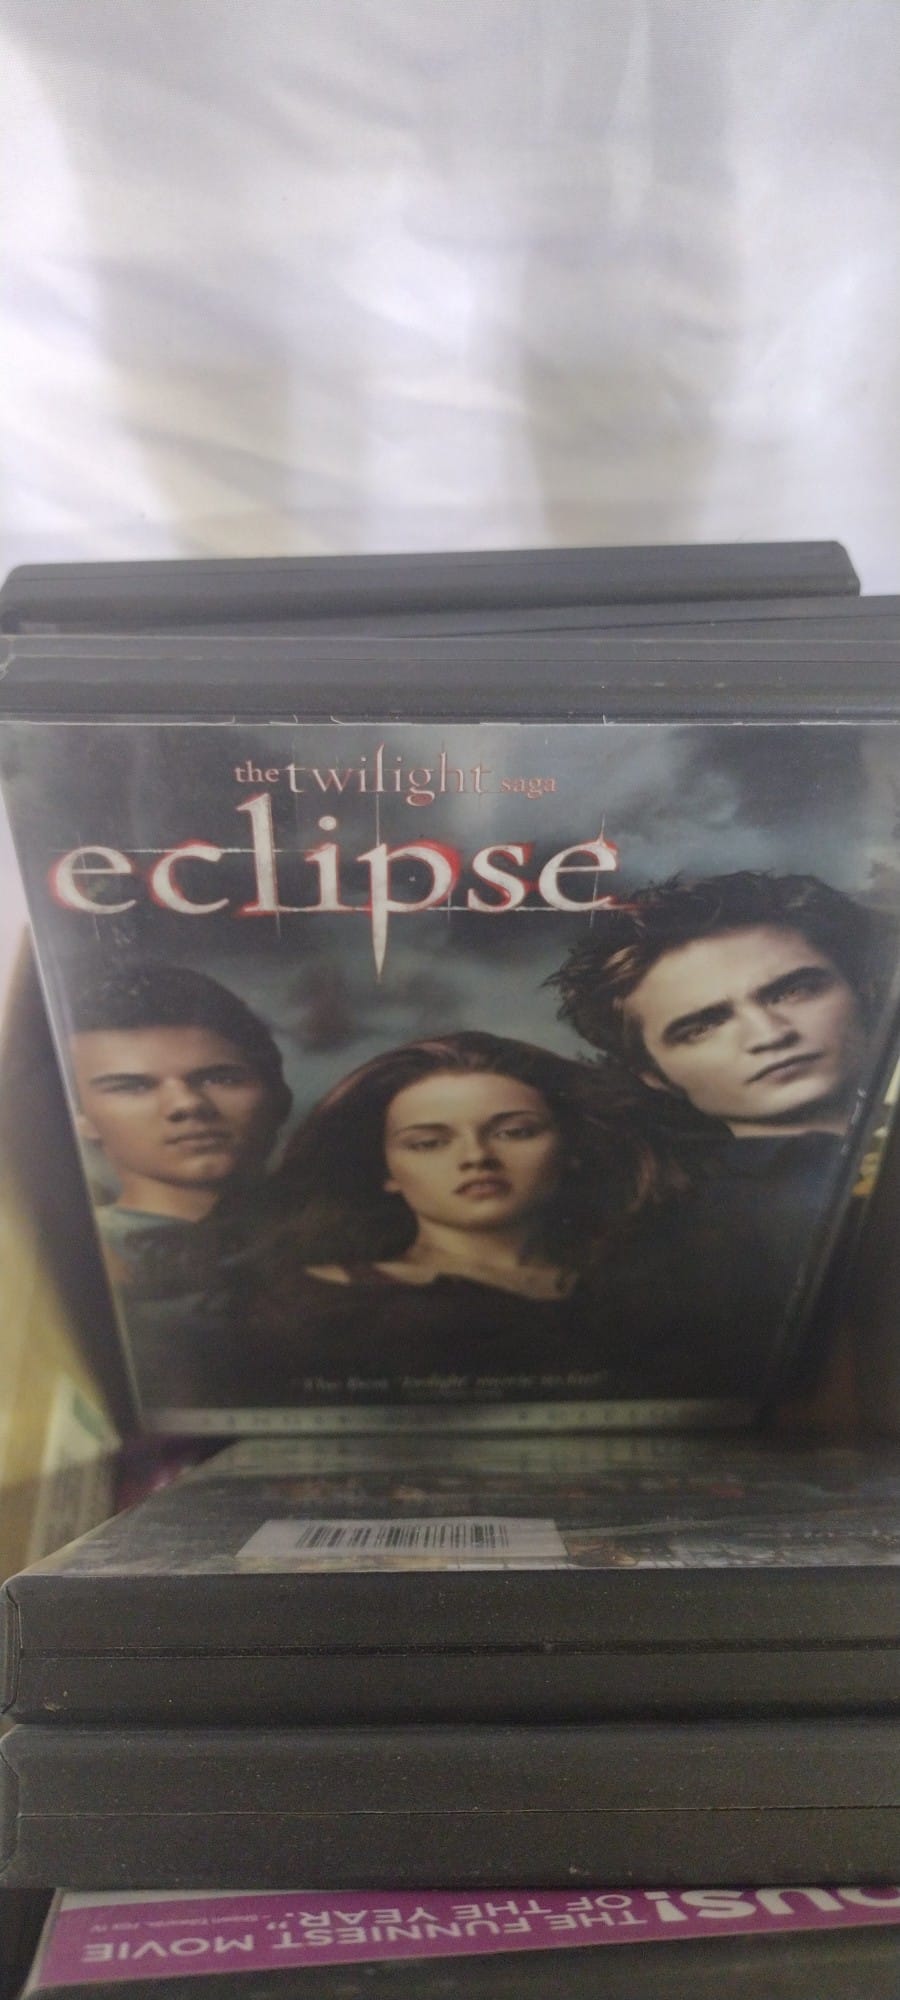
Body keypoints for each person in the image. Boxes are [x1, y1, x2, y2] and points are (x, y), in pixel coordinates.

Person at [551, 871, 891, 1397]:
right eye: (702, 1026)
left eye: (795, 990)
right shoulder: (672, 1246)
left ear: (862, 990)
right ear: (653, 1073)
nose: (769, 1035)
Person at [240, 1030, 658, 1406]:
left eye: (515, 1132)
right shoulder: (308, 1303)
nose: (476, 1157)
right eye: (428, 1142)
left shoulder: (640, 1295)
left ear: (572, 1149)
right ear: (385, 1171)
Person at [66, 961, 291, 1406]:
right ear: (80, 1118)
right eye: (131, 1087)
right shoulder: (70, 1260)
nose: (187, 1104)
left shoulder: (368, 1230)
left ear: (278, 1097)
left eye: (220, 1078)